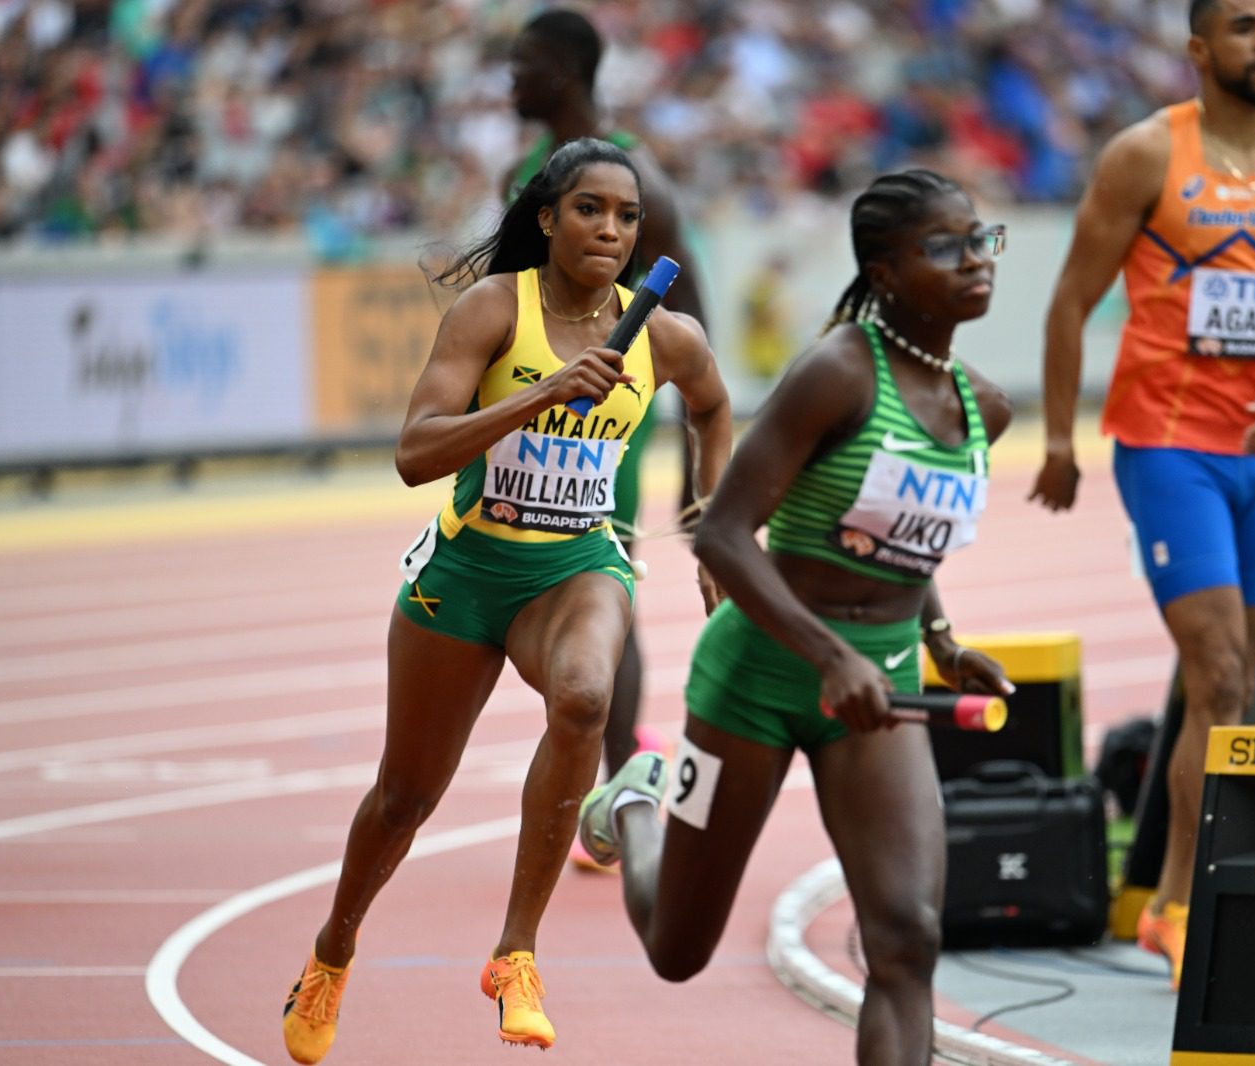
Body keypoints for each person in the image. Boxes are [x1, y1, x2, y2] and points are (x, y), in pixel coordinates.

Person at [280, 137, 731, 1063]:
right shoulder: (495, 309)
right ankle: (333, 953)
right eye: (589, 209)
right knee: (405, 798)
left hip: (576, 568)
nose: (610, 229)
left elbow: (716, 405)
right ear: (547, 219)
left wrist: (707, 514)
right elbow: (416, 452)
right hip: (466, 574)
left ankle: (515, 952)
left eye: (627, 215)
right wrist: (542, 395)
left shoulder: (662, 333)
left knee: (584, 701)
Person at [578, 169, 1017, 1066]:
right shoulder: (837, 373)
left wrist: (938, 638)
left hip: (880, 683)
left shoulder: (983, 406)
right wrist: (827, 656)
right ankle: (634, 805)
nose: (975, 261)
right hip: (761, 675)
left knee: (908, 937)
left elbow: (897, 539)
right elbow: (726, 539)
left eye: (983, 240)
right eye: (946, 247)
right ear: (886, 271)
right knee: (676, 950)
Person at [1028, 0, 1255, 989]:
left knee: (1236, 689)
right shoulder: (1143, 156)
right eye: (1246, 27)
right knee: (1214, 676)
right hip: (1168, 447)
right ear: (1198, 49)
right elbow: (1070, 302)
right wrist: (1054, 436)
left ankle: (1175, 894)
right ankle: (1177, 901)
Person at [504, 9, 712, 866]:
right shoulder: (532, 169)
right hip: (523, 401)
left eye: (524, 63)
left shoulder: (637, 181)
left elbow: (692, 320)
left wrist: (701, 469)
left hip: (606, 420)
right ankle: (609, 768)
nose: (509, 79)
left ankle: (624, 776)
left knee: (603, 574)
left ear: (566, 68)